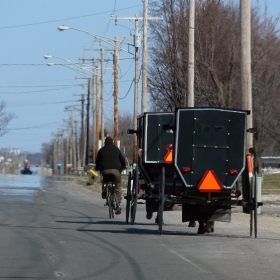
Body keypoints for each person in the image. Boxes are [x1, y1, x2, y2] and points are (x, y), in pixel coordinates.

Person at [95, 136, 126, 215]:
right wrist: (123, 167)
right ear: (112, 143)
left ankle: (104, 191)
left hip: (104, 170)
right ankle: (118, 205)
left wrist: (97, 168)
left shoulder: (101, 150)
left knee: (105, 179)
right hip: (115, 171)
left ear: (105, 143)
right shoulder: (116, 149)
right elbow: (122, 159)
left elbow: (97, 161)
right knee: (118, 187)